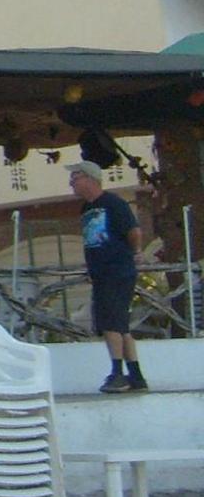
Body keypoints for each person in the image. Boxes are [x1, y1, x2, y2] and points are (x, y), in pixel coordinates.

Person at [69, 161, 148, 394]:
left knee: (110, 323)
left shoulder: (113, 203)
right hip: (101, 273)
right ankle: (135, 374)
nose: (72, 183)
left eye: (75, 177)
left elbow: (133, 231)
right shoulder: (86, 209)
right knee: (120, 325)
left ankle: (117, 373)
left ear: (90, 178)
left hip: (117, 270)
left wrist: (134, 253)